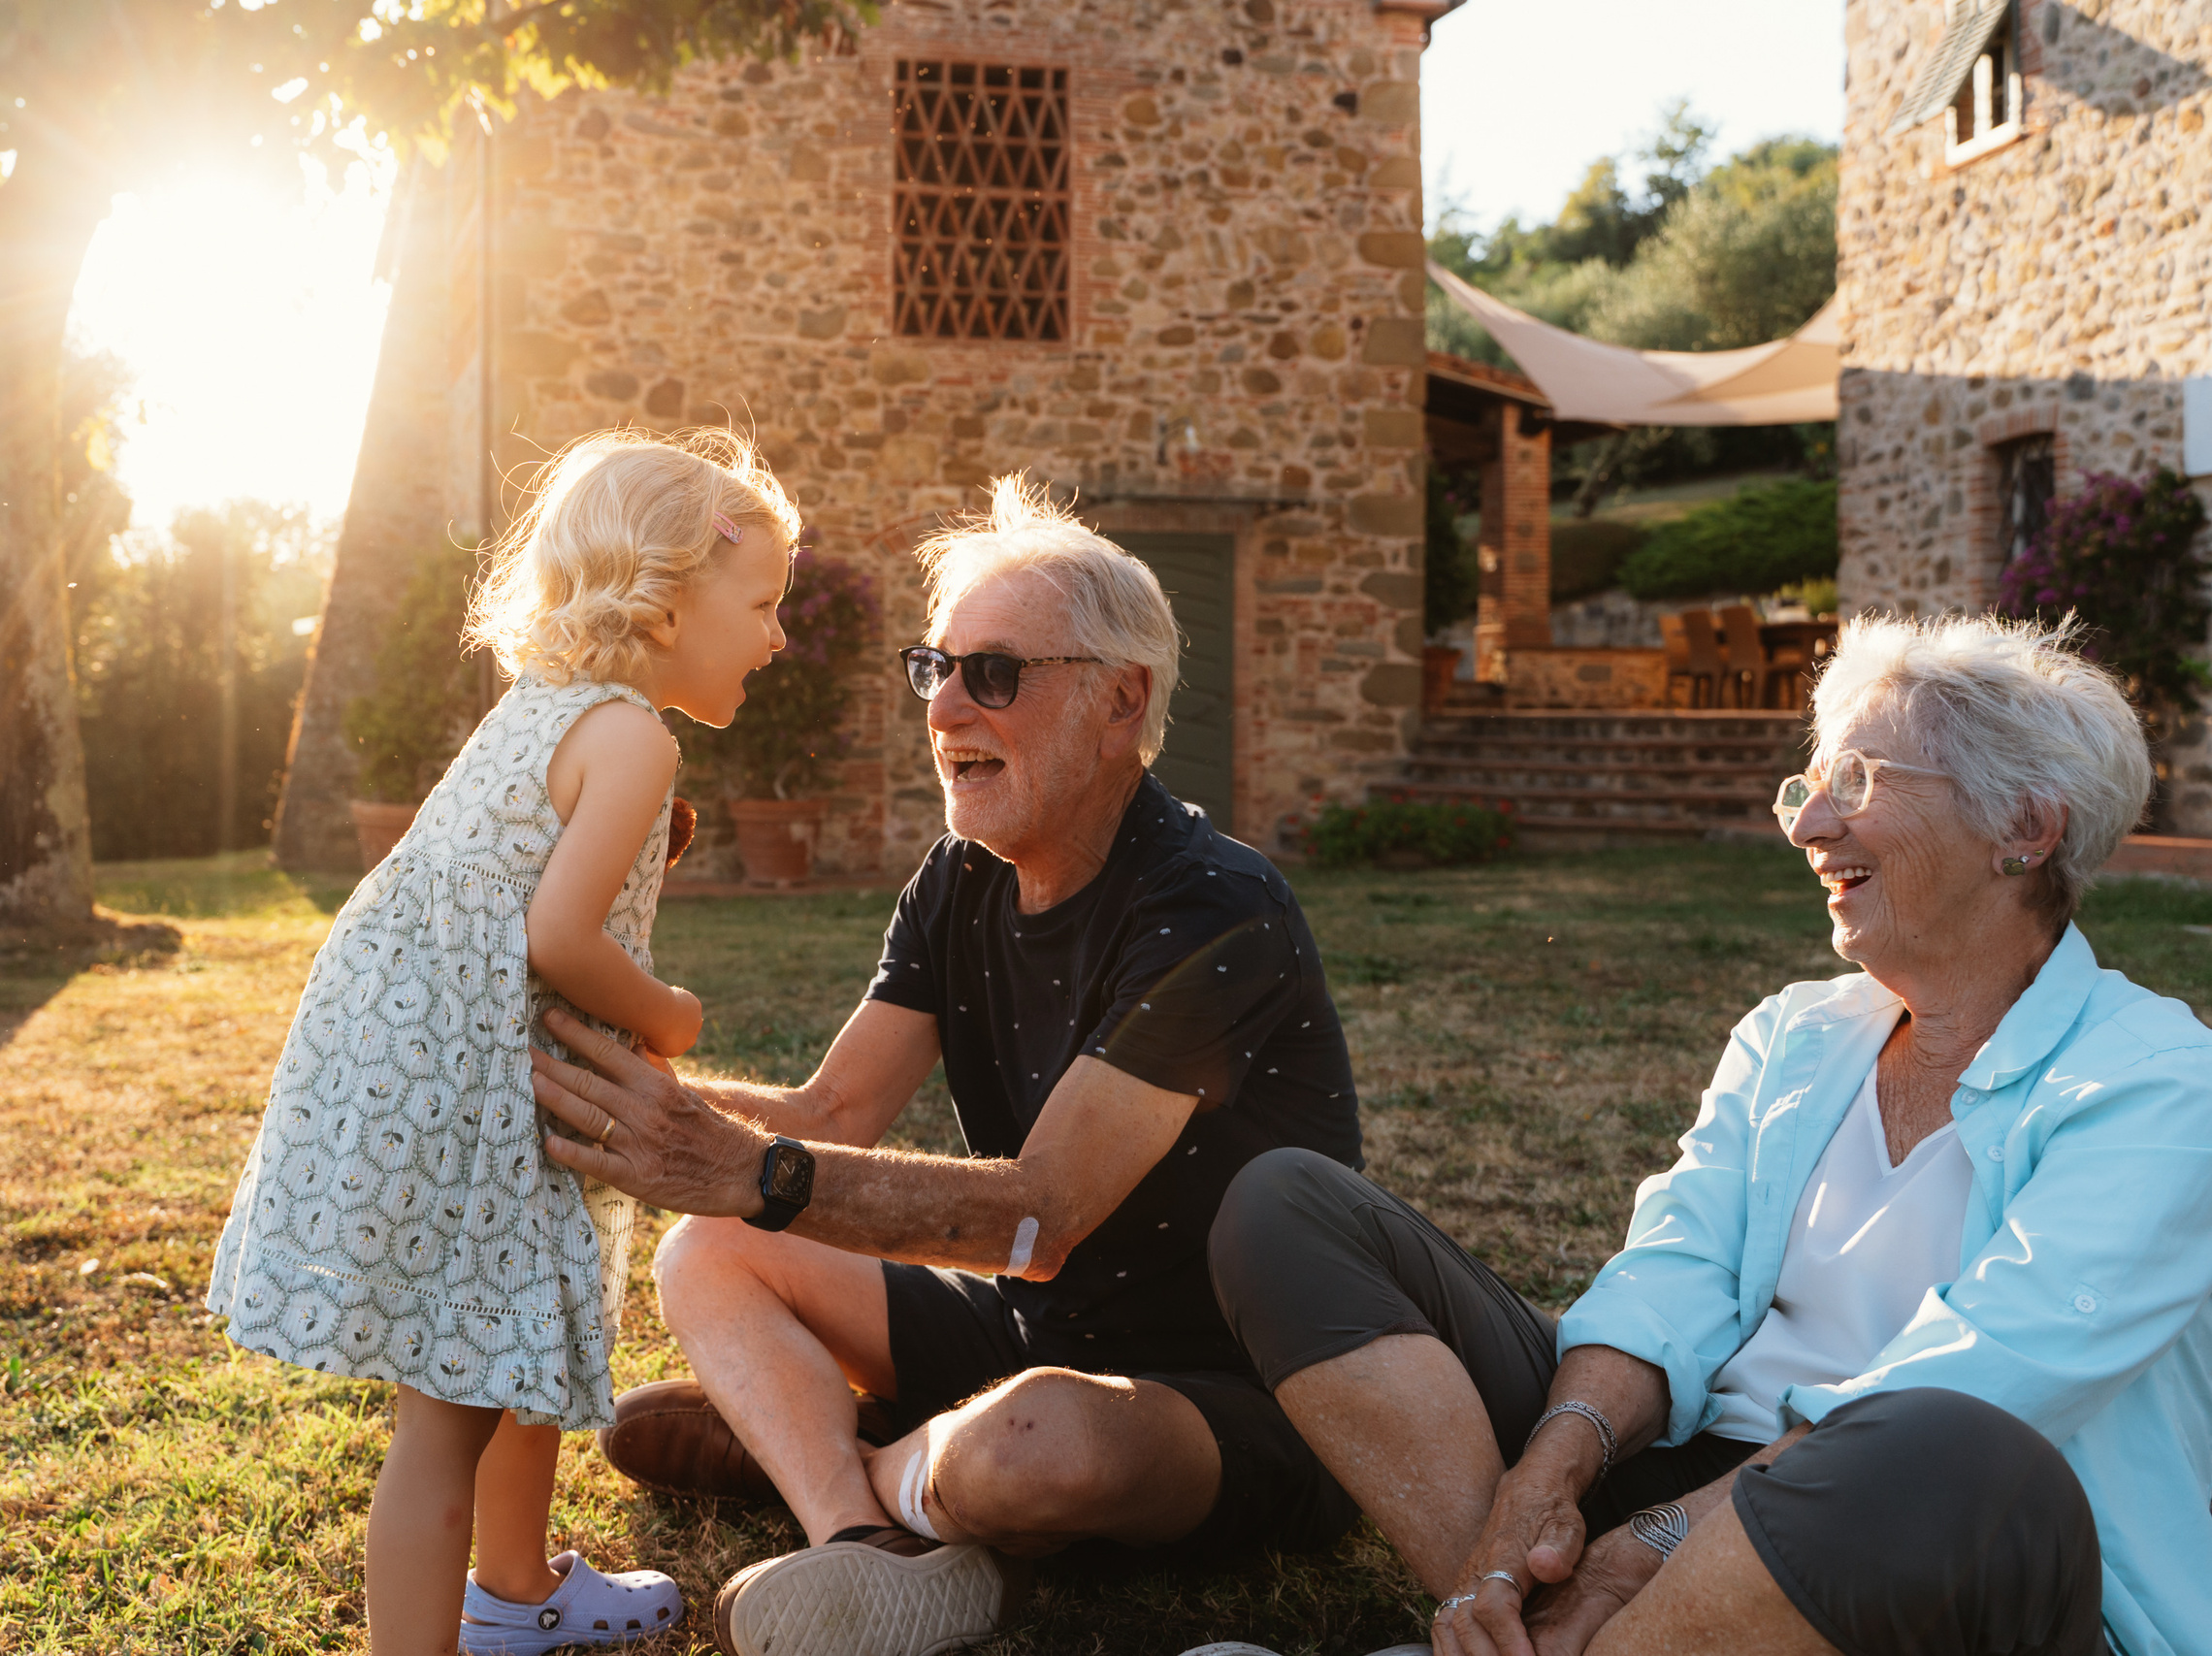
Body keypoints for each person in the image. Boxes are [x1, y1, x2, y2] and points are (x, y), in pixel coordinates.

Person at [1206, 613, 2212, 1656]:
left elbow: (1991, 1370)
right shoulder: (1797, 1033)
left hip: (1933, 1558)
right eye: (1808, 783)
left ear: (2025, 830)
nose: (1807, 823)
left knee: (1937, 1441)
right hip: (1695, 1493)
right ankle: (1513, 1610)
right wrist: (1545, 1481)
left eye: (1860, 781)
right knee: (1288, 1206)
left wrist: (1649, 1546)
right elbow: (1673, 1275)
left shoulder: (2157, 1084)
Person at [527, 475, 1367, 1656]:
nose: (948, 710)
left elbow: (1044, 1213)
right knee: (708, 1246)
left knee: (1040, 1449)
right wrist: (574, 1083)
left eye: (997, 675)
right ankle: (863, 1538)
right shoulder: (959, 875)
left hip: (1237, 1391)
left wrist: (744, 1165)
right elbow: (832, 1113)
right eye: (938, 669)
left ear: (1121, 700)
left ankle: (843, 1449)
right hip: (1036, 1330)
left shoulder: (1215, 905)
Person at [205, 429, 802, 1656]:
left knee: (523, 1332)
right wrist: (667, 1014)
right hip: (476, 1089)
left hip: (449, 1064)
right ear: (667, 598)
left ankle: (517, 1591)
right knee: (446, 1417)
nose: (778, 634)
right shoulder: (634, 736)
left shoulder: (543, 710)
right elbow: (557, 936)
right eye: (763, 603)